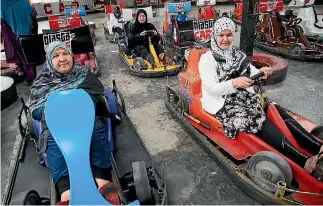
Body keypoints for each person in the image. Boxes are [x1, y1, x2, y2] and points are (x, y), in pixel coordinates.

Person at [198, 17, 323, 182]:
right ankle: (304, 161)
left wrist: (261, 71)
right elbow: (211, 88)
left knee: (275, 110)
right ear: (215, 36)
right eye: (221, 35)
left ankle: (316, 146)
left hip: (242, 94)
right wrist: (234, 83)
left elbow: (250, 71)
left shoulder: (237, 54)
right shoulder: (207, 59)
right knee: (258, 118)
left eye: (229, 35)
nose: (225, 39)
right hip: (222, 101)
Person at [29, 41, 121, 205]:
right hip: (57, 126)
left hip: (87, 120)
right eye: (56, 56)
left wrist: (84, 105)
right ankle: (67, 195)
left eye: (65, 54)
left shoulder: (83, 74)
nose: (62, 59)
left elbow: (101, 98)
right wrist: (56, 111)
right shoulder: (42, 82)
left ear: (71, 56)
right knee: (53, 141)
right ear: (50, 60)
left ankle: (105, 186)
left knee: (95, 129)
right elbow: (36, 109)